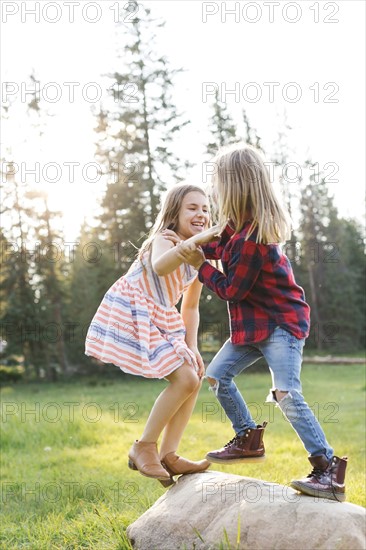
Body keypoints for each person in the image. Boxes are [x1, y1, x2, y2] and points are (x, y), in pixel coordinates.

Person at [165, 144, 347, 501]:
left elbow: (231, 289)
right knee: (216, 376)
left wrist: (199, 265)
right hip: (251, 328)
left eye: (218, 183)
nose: (214, 191)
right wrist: (191, 244)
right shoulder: (236, 231)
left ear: (236, 186)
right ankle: (248, 438)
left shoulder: (253, 239)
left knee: (286, 393)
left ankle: (328, 471)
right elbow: (216, 249)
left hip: (280, 325)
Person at [85, 184, 219, 486]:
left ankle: (169, 454)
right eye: (192, 208)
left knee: (194, 374)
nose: (201, 214)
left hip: (163, 317)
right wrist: (196, 242)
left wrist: (192, 346)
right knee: (184, 379)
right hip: (134, 307)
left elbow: (191, 307)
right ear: (175, 212)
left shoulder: (200, 258)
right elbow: (160, 266)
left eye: (205, 209)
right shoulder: (164, 240)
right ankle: (143, 446)